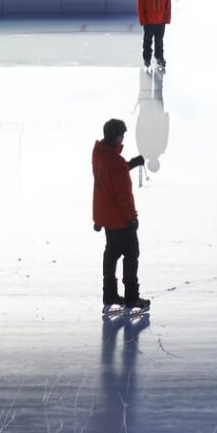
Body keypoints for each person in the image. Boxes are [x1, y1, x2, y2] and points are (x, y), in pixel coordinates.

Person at [91, 119, 148, 314]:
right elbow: (123, 195)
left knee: (111, 254)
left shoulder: (99, 154)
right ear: (117, 137)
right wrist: (132, 218)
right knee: (131, 256)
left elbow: (110, 175)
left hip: (106, 218)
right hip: (121, 220)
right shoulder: (114, 161)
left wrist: (132, 163)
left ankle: (110, 295)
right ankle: (132, 298)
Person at [137, 0, 171, 70]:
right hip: (149, 21)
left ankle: (159, 57)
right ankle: (147, 59)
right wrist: (143, 20)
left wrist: (166, 18)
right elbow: (140, 5)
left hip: (160, 21)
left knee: (159, 41)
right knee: (147, 41)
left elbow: (168, 4)